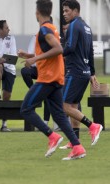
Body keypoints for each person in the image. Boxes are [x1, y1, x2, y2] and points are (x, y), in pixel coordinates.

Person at [20, 0, 86, 160]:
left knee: (26, 109)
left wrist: (34, 60)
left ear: (37, 13)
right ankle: (77, 147)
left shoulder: (44, 29)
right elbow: (51, 51)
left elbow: (58, 49)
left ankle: (52, 136)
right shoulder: (52, 27)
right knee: (58, 115)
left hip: (48, 79)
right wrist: (30, 56)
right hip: (57, 77)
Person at [59, 0, 102, 149]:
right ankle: (74, 141)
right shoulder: (87, 28)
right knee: (73, 106)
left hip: (74, 72)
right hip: (84, 73)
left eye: (67, 11)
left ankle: (93, 126)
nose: (64, 14)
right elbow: (90, 51)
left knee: (64, 106)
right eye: (63, 11)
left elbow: (69, 47)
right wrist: (92, 72)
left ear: (76, 11)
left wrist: (56, 53)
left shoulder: (73, 25)